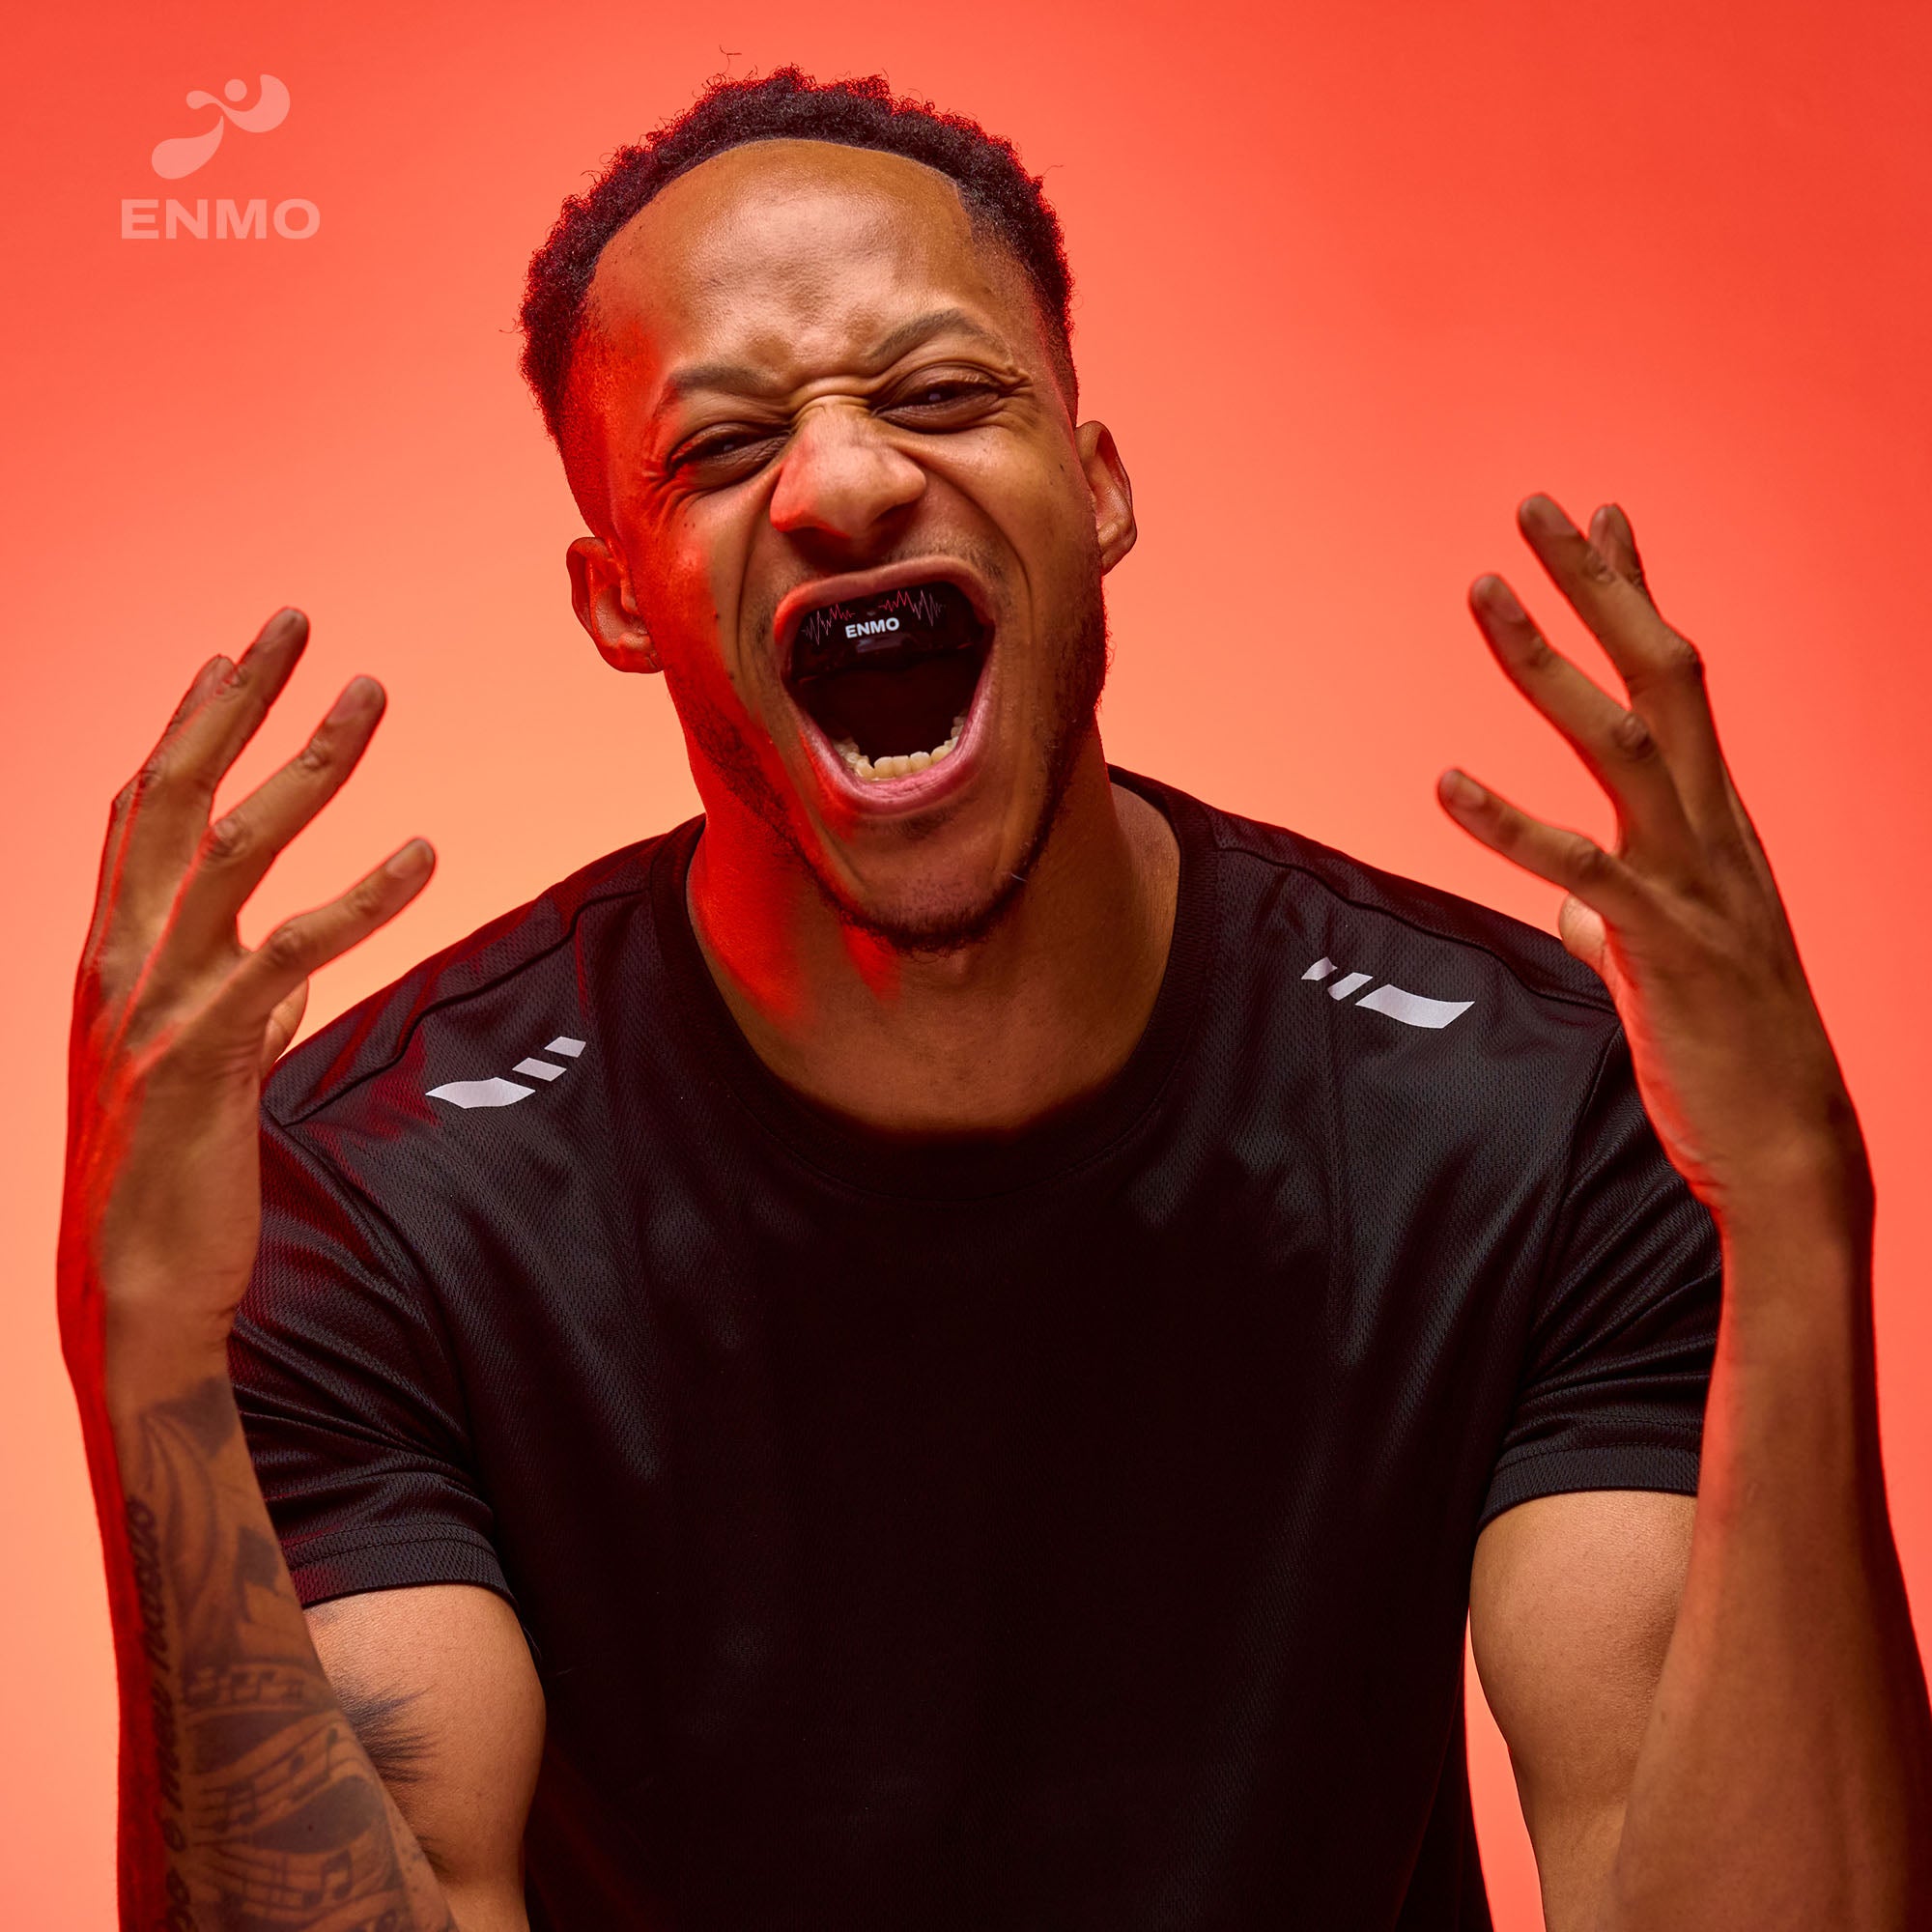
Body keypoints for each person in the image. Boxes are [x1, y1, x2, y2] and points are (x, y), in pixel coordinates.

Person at [61, 67, 1932, 1932]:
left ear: (1099, 489)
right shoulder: (382, 1192)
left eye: (943, 394)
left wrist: (1795, 1223)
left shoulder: (1513, 1102)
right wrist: (146, 1372)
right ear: (616, 596)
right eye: (716, 449)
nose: (850, 479)